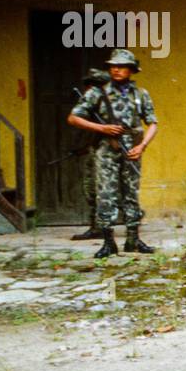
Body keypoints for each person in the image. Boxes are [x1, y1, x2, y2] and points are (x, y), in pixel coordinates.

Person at [67, 49, 159, 257]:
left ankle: (133, 240)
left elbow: (152, 123)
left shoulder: (140, 94)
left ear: (131, 70)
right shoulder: (98, 93)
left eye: (122, 66)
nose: (116, 69)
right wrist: (102, 129)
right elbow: (73, 118)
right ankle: (109, 242)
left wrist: (142, 145)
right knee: (106, 194)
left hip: (132, 150)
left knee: (131, 194)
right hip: (107, 149)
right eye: (113, 66)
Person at [70, 67, 111, 241]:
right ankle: (97, 226)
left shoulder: (107, 106)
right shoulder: (92, 107)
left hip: (105, 154)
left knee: (98, 189)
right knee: (91, 189)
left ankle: (102, 226)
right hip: (93, 151)